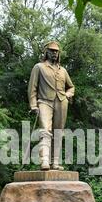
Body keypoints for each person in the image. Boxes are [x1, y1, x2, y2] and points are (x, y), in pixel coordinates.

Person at [28, 41, 75, 170]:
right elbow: (32, 88)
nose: (54, 53)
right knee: (45, 131)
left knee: (58, 132)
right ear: (46, 52)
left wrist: (67, 95)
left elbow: (71, 87)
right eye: (52, 51)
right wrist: (33, 105)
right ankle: (44, 160)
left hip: (61, 102)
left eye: (56, 51)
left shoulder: (63, 71)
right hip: (44, 101)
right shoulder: (39, 67)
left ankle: (55, 162)